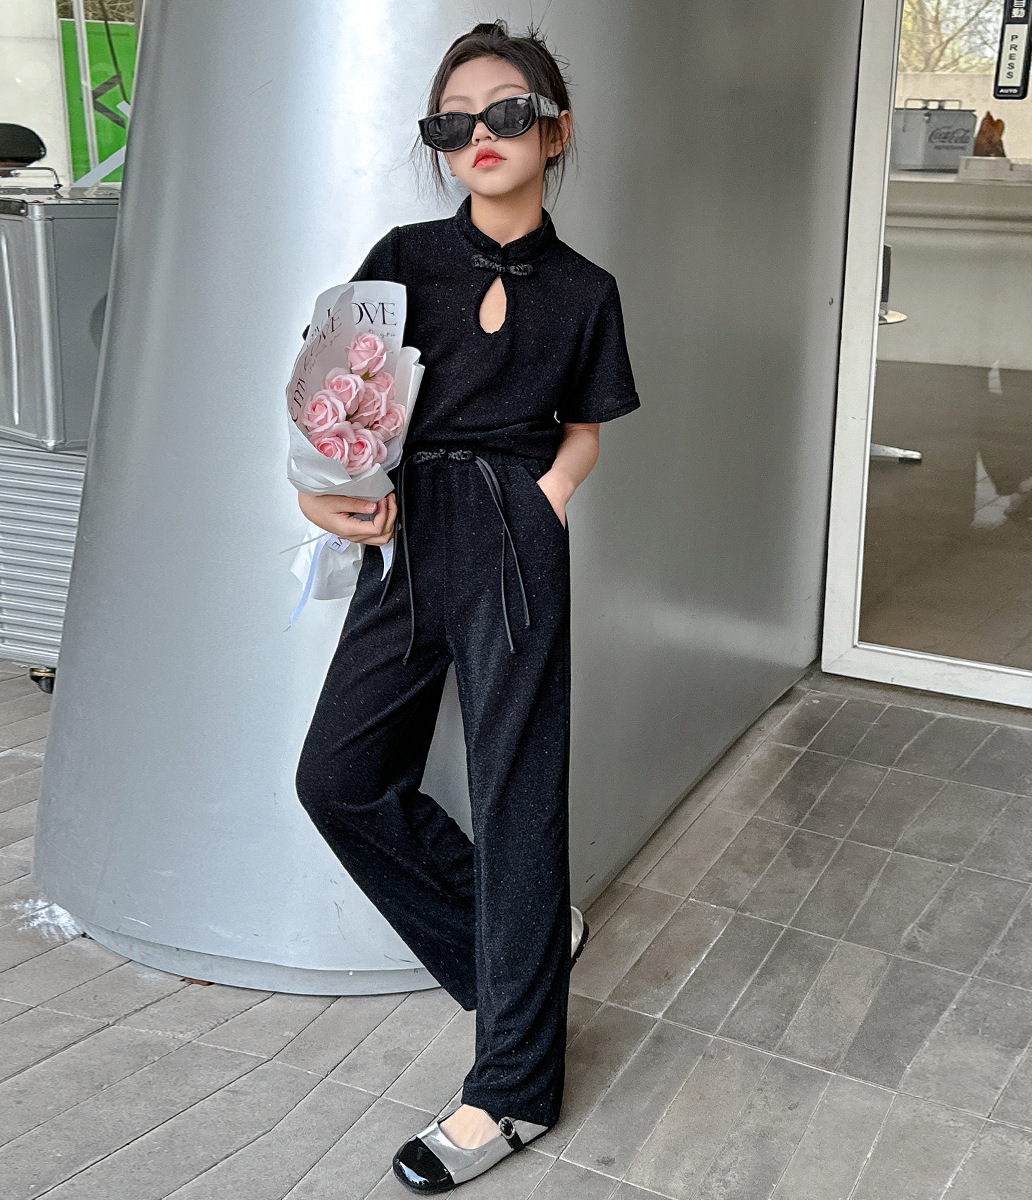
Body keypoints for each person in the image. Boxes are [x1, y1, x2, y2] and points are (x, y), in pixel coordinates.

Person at [292, 20, 640, 1194]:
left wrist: (546, 499)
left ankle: (513, 1089)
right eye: (453, 121)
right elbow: (342, 397)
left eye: (505, 111)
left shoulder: (587, 292)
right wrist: (320, 493)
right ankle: (519, 948)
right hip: (404, 534)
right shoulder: (402, 257)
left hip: (511, 534)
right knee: (340, 777)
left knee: (518, 797)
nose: (478, 134)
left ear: (555, 129)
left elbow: (585, 432)